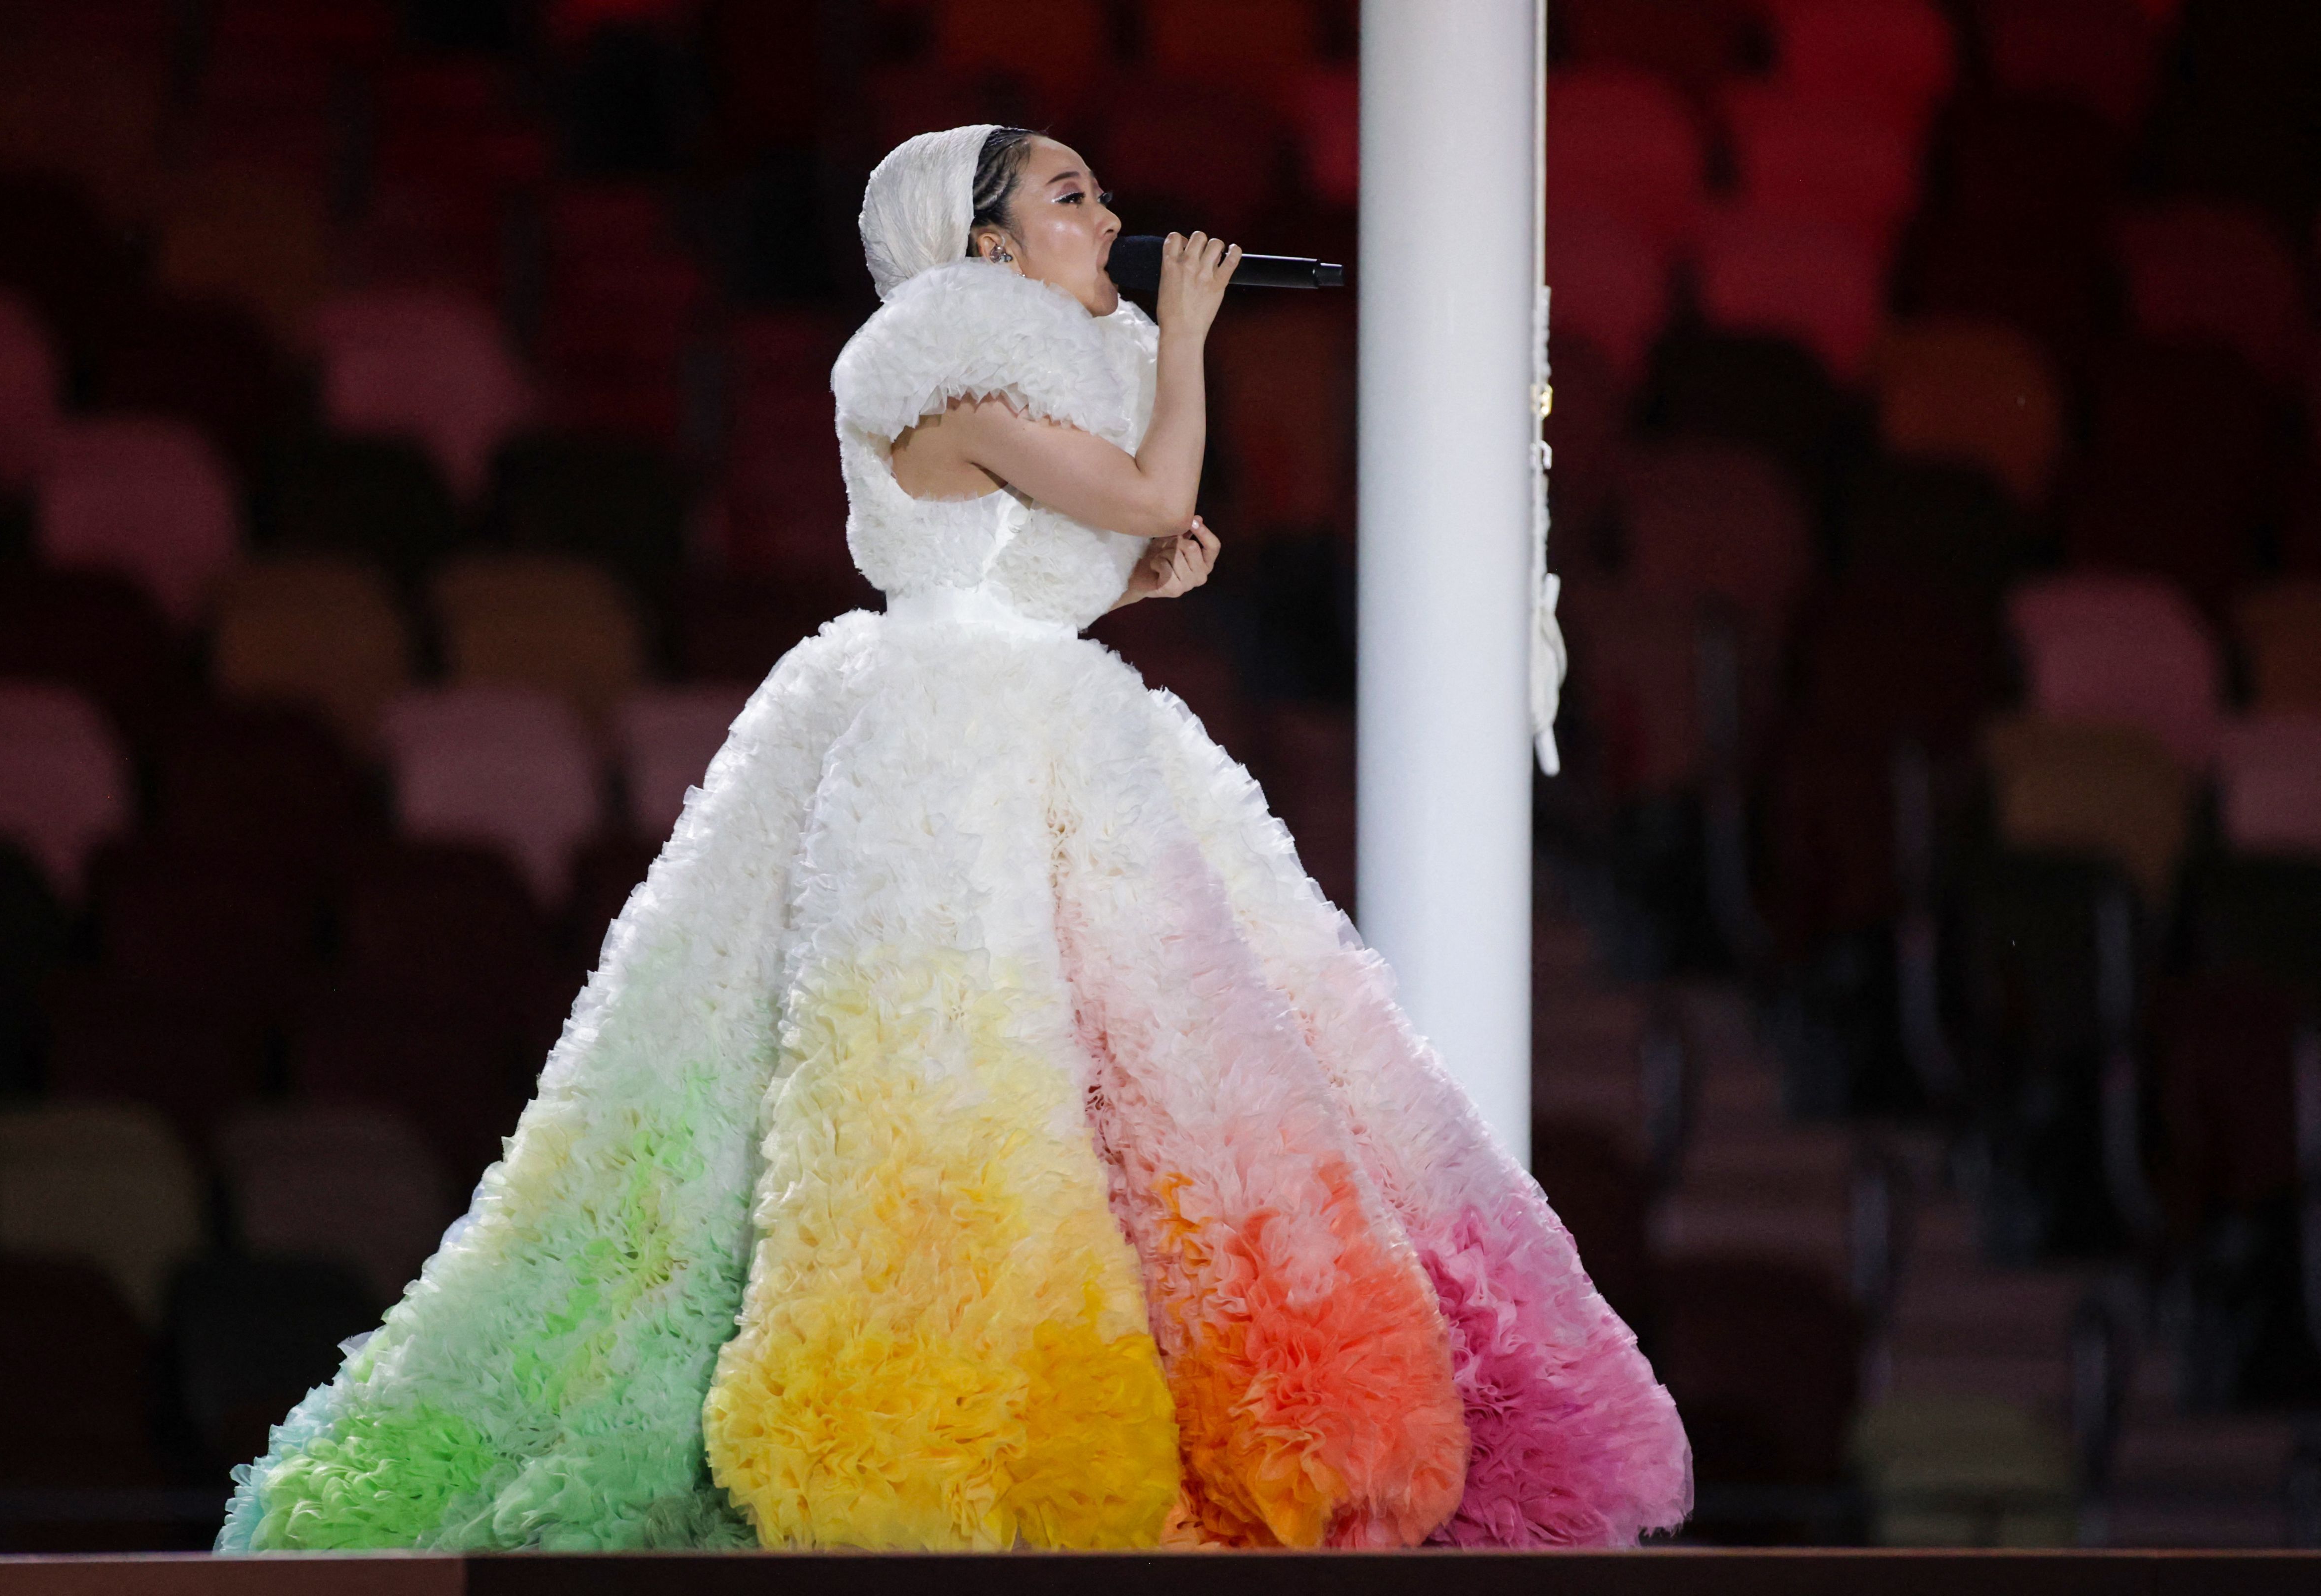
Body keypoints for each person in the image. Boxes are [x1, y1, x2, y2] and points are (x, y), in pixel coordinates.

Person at [216, 124, 1691, 1555]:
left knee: (1148, 1086)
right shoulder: (960, 378)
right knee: (959, 1091)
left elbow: (1037, 575)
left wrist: (1133, 592)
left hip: (1036, 728)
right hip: (946, 761)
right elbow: (1146, 495)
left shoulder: (1015, 395)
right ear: (986, 244)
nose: (1110, 218)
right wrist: (1185, 337)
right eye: (1070, 197)